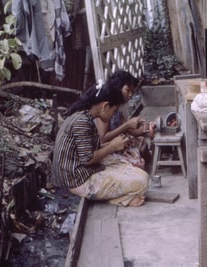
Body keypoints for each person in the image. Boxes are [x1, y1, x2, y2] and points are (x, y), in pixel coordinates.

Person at [52, 73, 149, 207]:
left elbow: (90, 149)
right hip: (76, 182)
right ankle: (120, 199)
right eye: (114, 111)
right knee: (142, 180)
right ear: (105, 106)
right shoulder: (82, 121)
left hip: (75, 174)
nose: (114, 114)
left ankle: (122, 195)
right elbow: (88, 158)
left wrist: (114, 144)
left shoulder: (82, 115)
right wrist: (113, 146)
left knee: (128, 165)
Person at [95, 70, 152, 169]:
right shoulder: (106, 106)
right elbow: (102, 138)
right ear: (117, 87)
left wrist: (146, 129)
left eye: (132, 92)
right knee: (136, 161)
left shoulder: (117, 107)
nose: (130, 95)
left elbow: (131, 131)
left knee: (142, 142)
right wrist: (127, 125)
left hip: (117, 143)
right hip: (105, 148)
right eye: (127, 90)